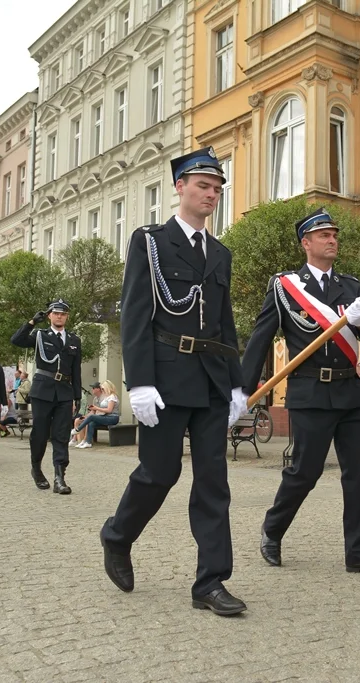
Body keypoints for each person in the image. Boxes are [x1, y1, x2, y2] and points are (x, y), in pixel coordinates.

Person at [101, 146, 248, 616]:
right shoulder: (150, 242)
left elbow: (224, 325)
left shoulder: (220, 253)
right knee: (158, 474)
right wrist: (139, 382)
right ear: (180, 187)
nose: (212, 194)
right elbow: (137, 316)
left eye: (217, 188)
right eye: (203, 186)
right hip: (165, 378)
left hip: (209, 380)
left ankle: (210, 582)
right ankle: (117, 535)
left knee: (213, 482)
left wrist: (238, 385)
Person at [242, 208, 360, 579]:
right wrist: (242, 391)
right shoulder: (285, 286)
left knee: (359, 474)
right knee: (304, 472)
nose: (332, 240)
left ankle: (359, 552)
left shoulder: (353, 286)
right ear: (306, 243)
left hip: (349, 390)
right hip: (310, 392)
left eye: (334, 235)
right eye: (324, 235)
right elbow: (261, 338)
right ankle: (273, 530)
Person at [11, 300, 82, 495]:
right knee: (40, 434)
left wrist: (77, 397)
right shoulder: (40, 335)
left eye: (63, 314)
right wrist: (32, 322)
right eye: (55, 313)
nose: (59, 316)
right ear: (49, 316)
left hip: (65, 391)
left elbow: (76, 370)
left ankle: (60, 477)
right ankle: (36, 468)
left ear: (67, 316)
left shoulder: (74, 340)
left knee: (61, 435)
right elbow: (16, 340)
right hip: (43, 391)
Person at [73, 381, 119, 448]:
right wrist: (94, 409)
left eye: (103, 389)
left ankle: (78, 429)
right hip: (105, 416)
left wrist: (96, 408)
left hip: (113, 417)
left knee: (92, 417)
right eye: (102, 389)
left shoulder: (112, 397)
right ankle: (87, 442)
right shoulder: (106, 397)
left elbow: (109, 410)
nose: (102, 390)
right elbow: (102, 410)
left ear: (107, 388)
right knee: (91, 422)